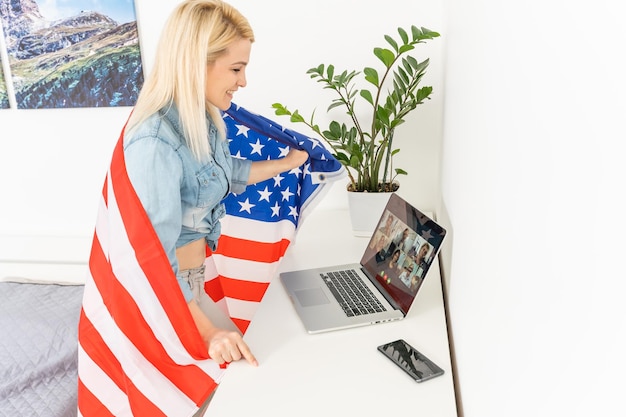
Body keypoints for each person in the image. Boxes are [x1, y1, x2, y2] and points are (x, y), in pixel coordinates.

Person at [78, 1, 308, 416]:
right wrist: (206, 331)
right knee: (186, 398)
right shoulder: (154, 141)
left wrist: (287, 163)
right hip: (168, 294)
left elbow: (227, 173)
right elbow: (150, 259)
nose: (243, 81)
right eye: (236, 68)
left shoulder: (201, 118)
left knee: (227, 386)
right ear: (196, 63)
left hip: (193, 282)